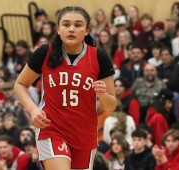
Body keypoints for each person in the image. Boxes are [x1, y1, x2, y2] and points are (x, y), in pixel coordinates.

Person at [14, 6, 117, 170]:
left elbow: (111, 106)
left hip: (85, 134)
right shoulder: (44, 53)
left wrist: (103, 94)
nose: (71, 29)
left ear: (87, 30)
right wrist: (32, 109)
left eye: (78, 25)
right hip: (51, 129)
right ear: (58, 29)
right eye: (66, 24)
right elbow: (20, 84)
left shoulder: (99, 57)